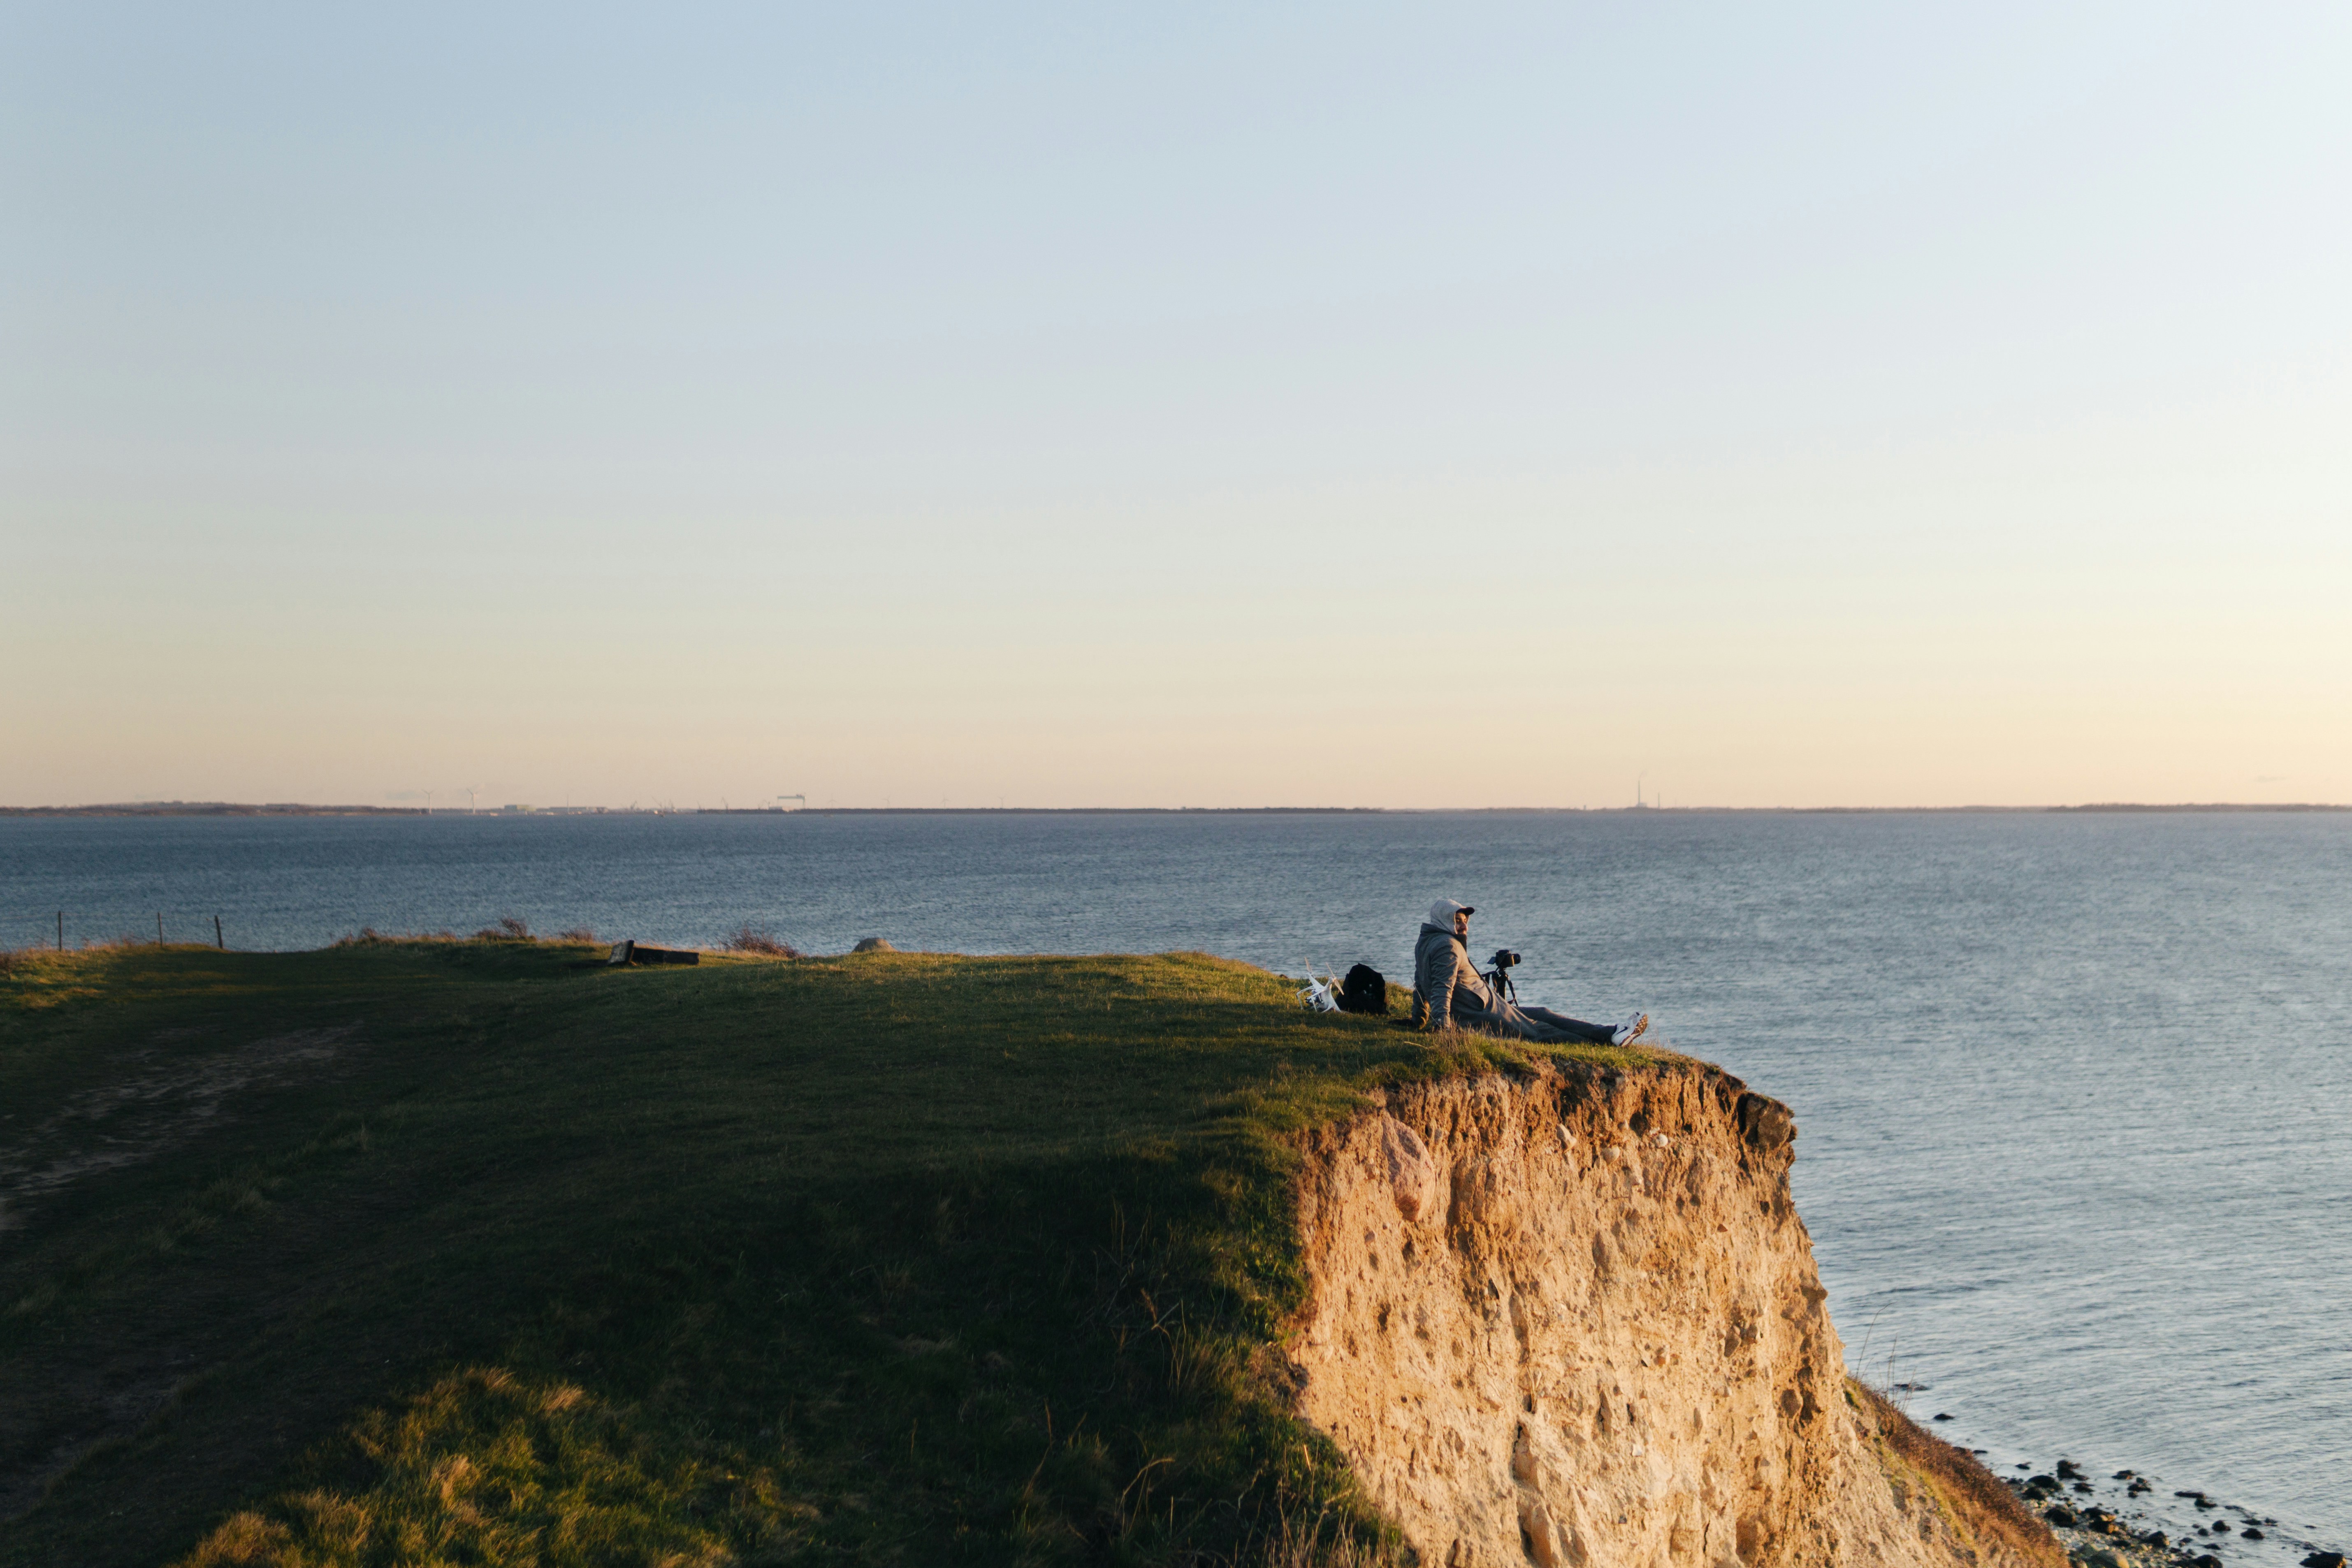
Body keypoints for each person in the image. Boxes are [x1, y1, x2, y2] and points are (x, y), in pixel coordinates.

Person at [1412, 898, 1649, 1046]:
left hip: (1488, 1006)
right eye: (1457, 920)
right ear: (1443, 921)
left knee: (1543, 1014)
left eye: (1465, 920)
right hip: (1481, 1014)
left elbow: (1420, 984)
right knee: (1539, 1032)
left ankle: (1612, 1032)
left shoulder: (1426, 942)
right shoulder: (1448, 946)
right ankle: (1608, 1044)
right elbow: (1442, 987)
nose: (1464, 925)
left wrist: (1418, 1020)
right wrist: (1442, 1027)